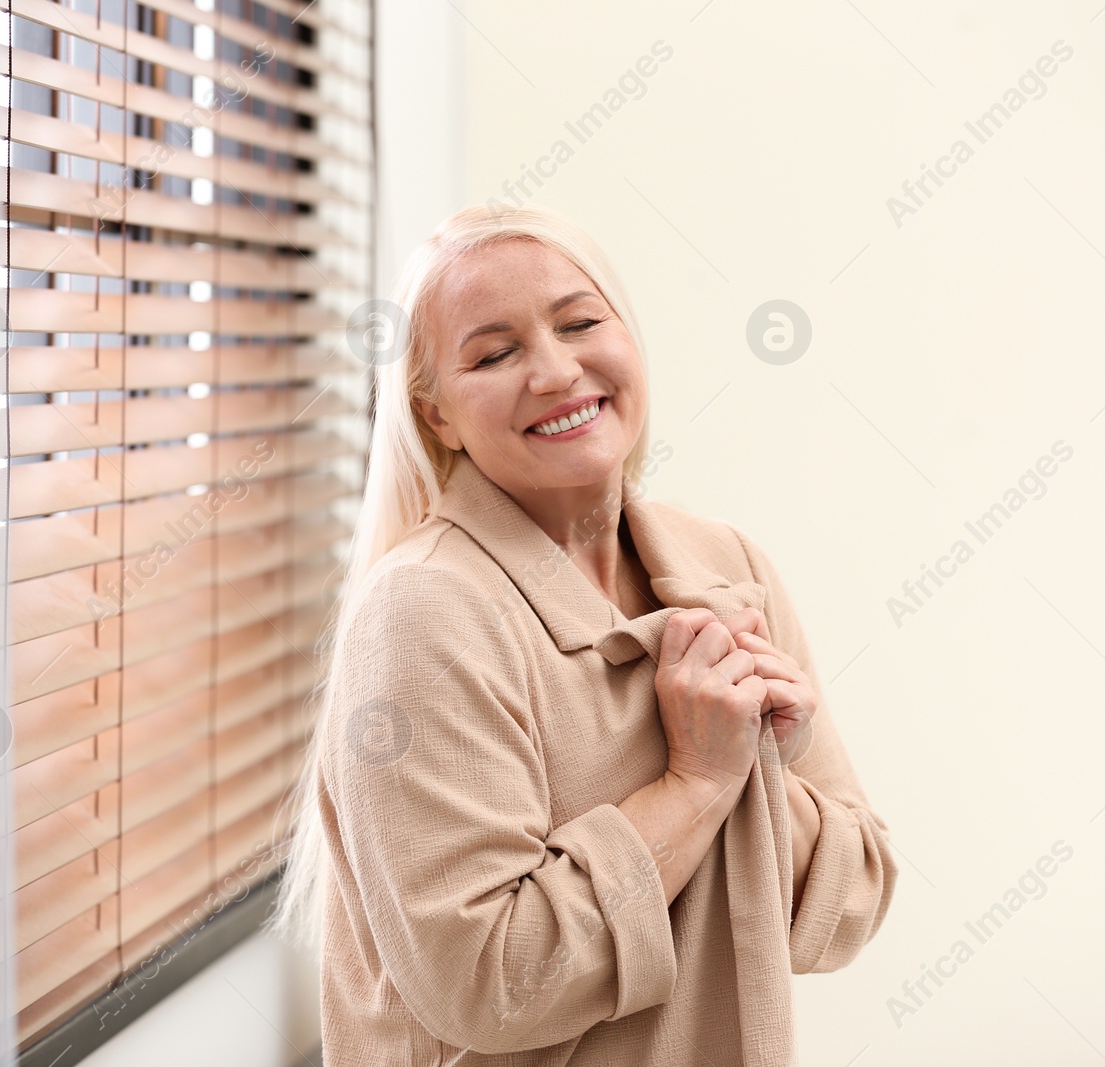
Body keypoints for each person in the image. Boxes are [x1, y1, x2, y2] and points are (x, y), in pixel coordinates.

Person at [272, 203, 897, 1065]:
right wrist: (701, 780)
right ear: (437, 415)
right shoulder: (425, 611)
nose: (557, 370)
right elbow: (490, 985)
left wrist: (770, 768)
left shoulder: (725, 565)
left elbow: (849, 908)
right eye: (495, 353)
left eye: (580, 323)